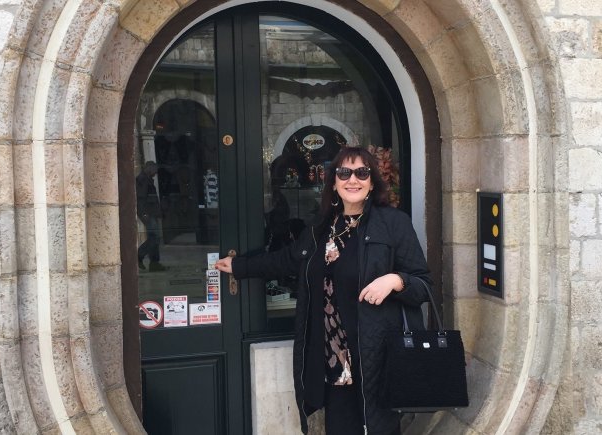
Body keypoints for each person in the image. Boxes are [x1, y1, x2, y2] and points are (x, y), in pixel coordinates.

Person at [215, 147, 432, 435]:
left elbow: (422, 285)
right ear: (333, 182)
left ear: (371, 182)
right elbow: (286, 260)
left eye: (361, 173)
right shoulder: (321, 229)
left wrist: (395, 280)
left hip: (377, 359)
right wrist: (239, 266)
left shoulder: (393, 223)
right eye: (344, 172)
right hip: (335, 360)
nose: (352, 179)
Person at [136, 161, 167, 272]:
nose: (156, 172)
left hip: (151, 213)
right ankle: (140, 256)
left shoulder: (147, 179)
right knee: (154, 237)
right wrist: (144, 213)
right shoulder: (142, 180)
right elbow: (140, 199)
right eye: (155, 169)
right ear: (149, 168)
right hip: (148, 214)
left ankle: (154, 263)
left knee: (154, 238)